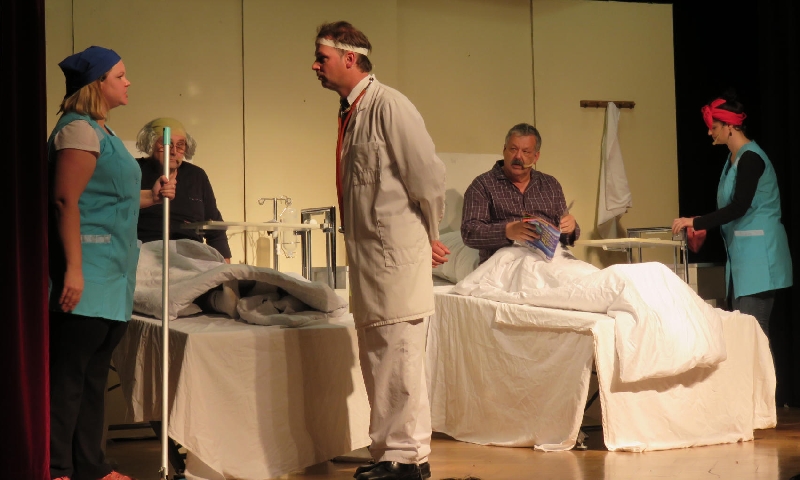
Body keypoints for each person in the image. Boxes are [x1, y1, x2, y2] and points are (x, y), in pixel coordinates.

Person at [312, 21, 447, 480]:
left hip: (396, 258)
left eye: (322, 58)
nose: (315, 66)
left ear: (349, 58)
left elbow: (428, 177)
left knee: (400, 358)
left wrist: (429, 234)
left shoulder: (390, 105)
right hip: (371, 260)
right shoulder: (352, 111)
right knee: (380, 360)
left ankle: (407, 458)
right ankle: (390, 454)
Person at [48, 46, 175, 480]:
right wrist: (73, 269)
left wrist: (151, 197)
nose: (128, 82)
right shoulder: (78, 131)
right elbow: (66, 200)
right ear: (97, 83)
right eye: (120, 75)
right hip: (87, 271)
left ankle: (91, 465)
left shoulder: (102, 132)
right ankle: (57, 467)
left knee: (93, 376)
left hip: (113, 275)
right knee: (69, 378)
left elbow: (109, 197)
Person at [672, 94, 792, 337]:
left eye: (714, 127)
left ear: (730, 127)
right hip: (743, 261)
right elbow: (730, 208)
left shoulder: (751, 158)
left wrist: (697, 222)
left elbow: (739, 207)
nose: (710, 132)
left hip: (759, 259)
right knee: (743, 335)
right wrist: (703, 225)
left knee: (753, 335)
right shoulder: (733, 160)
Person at [461, 123, 579, 264]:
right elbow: (469, 233)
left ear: (536, 157)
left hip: (551, 261)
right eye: (513, 149)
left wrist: (571, 228)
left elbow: (564, 236)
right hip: (504, 262)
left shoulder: (550, 184)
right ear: (504, 150)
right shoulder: (482, 185)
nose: (518, 156)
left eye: (526, 152)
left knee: (589, 275)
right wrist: (507, 231)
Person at [135, 117, 232, 262]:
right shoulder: (134, 170)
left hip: (190, 255)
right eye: (166, 144)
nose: (173, 151)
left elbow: (215, 228)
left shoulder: (196, 176)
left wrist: (225, 270)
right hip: (146, 253)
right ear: (150, 143)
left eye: (180, 145)